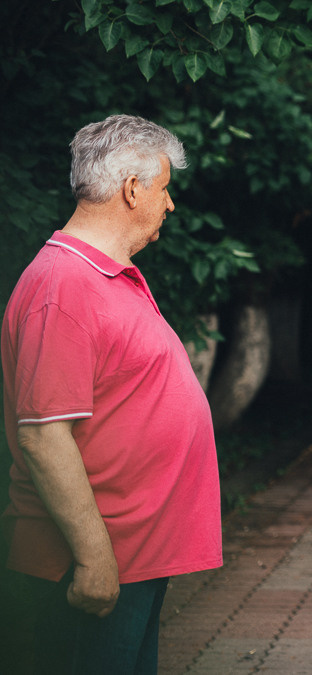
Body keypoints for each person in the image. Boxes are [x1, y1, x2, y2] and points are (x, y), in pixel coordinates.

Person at [0, 115, 223, 674]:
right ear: (131, 189)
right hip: (92, 562)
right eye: (164, 188)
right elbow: (45, 437)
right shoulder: (63, 285)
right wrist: (94, 558)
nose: (170, 204)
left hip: (133, 555)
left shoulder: (102, 276)